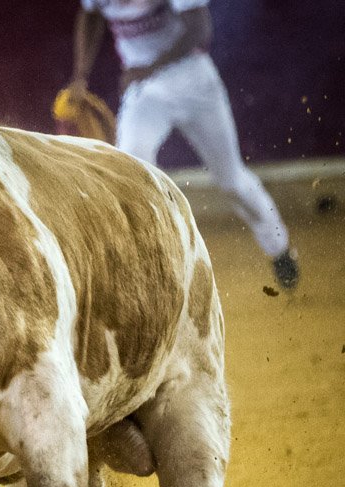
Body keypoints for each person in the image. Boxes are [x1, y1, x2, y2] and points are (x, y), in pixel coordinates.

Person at [67, 0, 300, 290]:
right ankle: (145, 264)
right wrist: (80, 76)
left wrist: (150, 66)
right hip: (146, 92)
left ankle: (280, 249)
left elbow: (200, 28)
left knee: (231, 179)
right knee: (129, 173)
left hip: (193, 80)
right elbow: (89, 16)